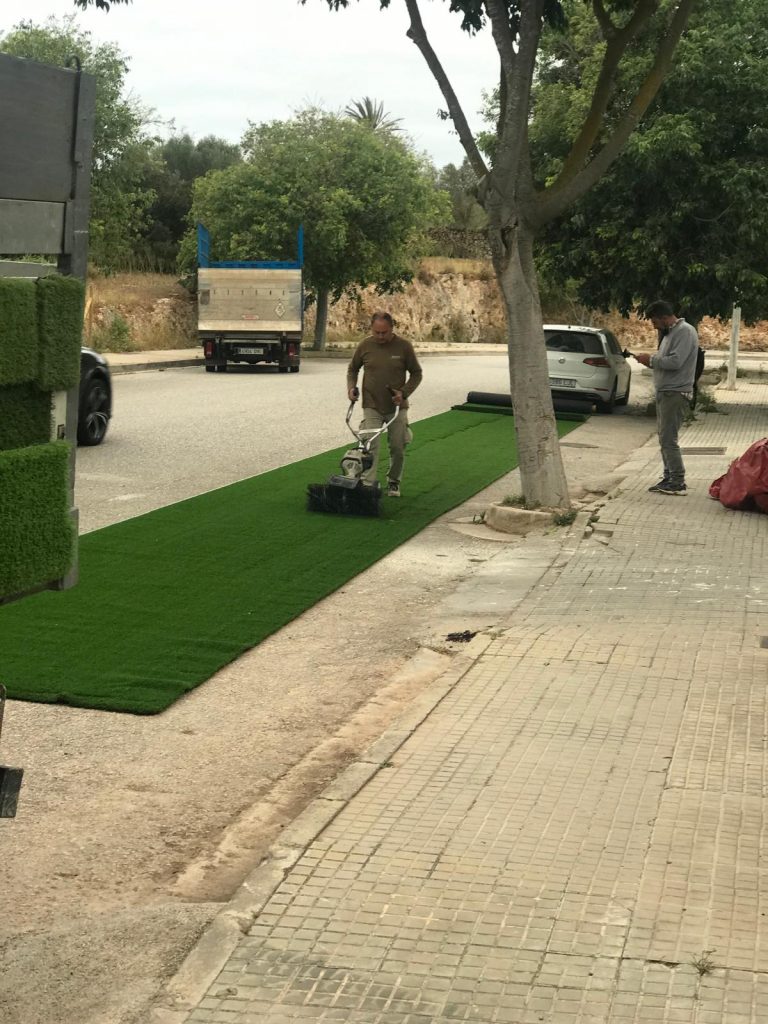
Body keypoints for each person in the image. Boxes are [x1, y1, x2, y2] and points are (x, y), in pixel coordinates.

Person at [346, 312, 422, 497]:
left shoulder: (404, 346)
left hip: (396, 406)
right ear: (372, 329)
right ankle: (367, 484)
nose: (380, 336)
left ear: (392, 329)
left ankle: (394, 481)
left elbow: (417, 373)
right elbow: (353, 369)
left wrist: (403, 393)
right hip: (371, 403)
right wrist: (351, 388)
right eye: (376, 332)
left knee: (397, 446)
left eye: (384, 332)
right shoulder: (365, 345)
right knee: (370, 444)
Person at [631, 300, 700, 496]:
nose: (654, 326)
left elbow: (676, 362)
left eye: (654, 321)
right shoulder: (670, 333)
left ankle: (677, 481)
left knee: (669, 439)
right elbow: (665, 361)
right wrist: (649, 361)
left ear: (664, 317)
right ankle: (668, 477)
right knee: (663, 438)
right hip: (665, 391)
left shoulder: (685, 332)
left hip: (675, 392)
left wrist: (651, 360)